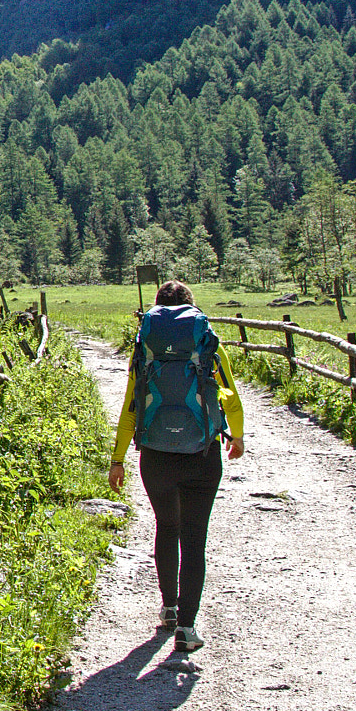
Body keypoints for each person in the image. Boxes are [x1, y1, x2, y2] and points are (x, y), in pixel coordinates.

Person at [107, 280, 245, 654]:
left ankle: (168, 609)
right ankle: (187, 627)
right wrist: (238, 436)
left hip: (155, 455)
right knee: (194, 536)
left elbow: (130, 408)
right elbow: (229, 396)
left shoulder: (146, 350)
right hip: (201, 454)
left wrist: (118, 459)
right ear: (191, 310)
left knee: (166, 527)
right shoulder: (206, 345)